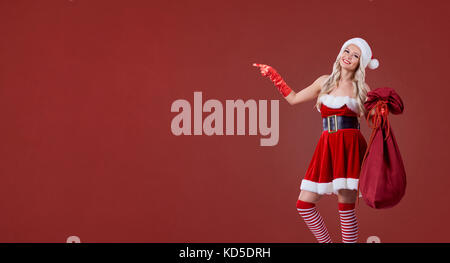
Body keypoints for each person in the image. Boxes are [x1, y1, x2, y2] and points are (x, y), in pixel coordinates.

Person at [253, 37, 380, 243]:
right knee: (304, 203)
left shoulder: (363, 88)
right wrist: (275, 77)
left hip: (350, 147)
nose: (348, 57)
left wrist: (381, 110)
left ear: (361, 63)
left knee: (345, 208)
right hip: (327, 146)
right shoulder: (324, 82)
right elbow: (293, 99)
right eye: (346, 51)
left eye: (355, 55)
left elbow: (373, 123)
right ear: (340, 53)